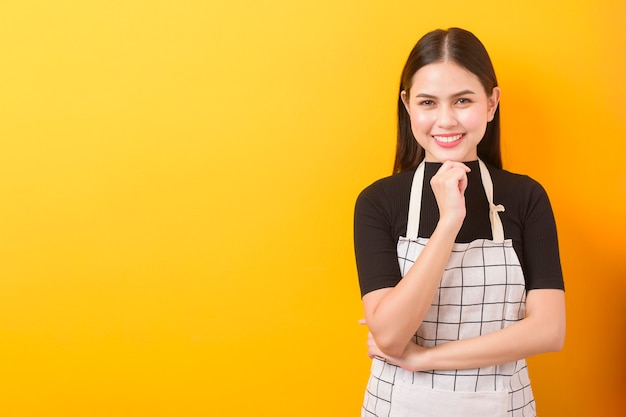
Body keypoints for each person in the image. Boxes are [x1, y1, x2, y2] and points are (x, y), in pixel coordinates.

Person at [353, 27, 565, 417]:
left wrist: (425, 359)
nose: (445, 120)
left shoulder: (526, 197)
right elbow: (391, 335)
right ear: (407, 105)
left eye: (463, 100)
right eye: (428, 102)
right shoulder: (378, 202)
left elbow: (549, 331)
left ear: (491, 103)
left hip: (502, 407)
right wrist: (449, 221)